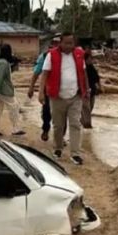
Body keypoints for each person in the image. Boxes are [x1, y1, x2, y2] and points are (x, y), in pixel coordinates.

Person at [38, 33, 90, 165]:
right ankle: (58, 148)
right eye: (66, 43)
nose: (69, 45)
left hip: (75, 96)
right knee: (58, 125)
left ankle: (75, 153)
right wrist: (40, 92)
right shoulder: (51, 55)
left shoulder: (79, 55)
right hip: (57, 97)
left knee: (75, 124)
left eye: (71, 43)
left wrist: (87, 89)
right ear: (60, 43)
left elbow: (83, 73)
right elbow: (44, 74)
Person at [28, 35, 60, 141]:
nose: (57, 45)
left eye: (59, 43)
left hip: (63, 89)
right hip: (48, 89)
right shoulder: (45, 56)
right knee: (47, 111)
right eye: (55, 43)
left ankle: (60, 136)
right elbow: (36, 73)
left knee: (62, 114)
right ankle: (46, 130)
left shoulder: (68, 57)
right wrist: (31, 88)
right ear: (52, 44)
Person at [0, 44, 26, 137]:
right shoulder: (3, 63)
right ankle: (16, 129)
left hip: (0, 90)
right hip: (4, 90)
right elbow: (0, 78)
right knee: (14, 107)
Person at [81, 52, 102, 129]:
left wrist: (100, 87)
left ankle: (82, 121)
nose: (91, 60)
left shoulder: (92, 68)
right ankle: (87, 125)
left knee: (91, 107)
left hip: (92, 90)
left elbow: (97, 78)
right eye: (89, 59)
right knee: (86, 107)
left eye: (91, 59)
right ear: (85, 60)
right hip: (84, 91)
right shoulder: (83, 68)